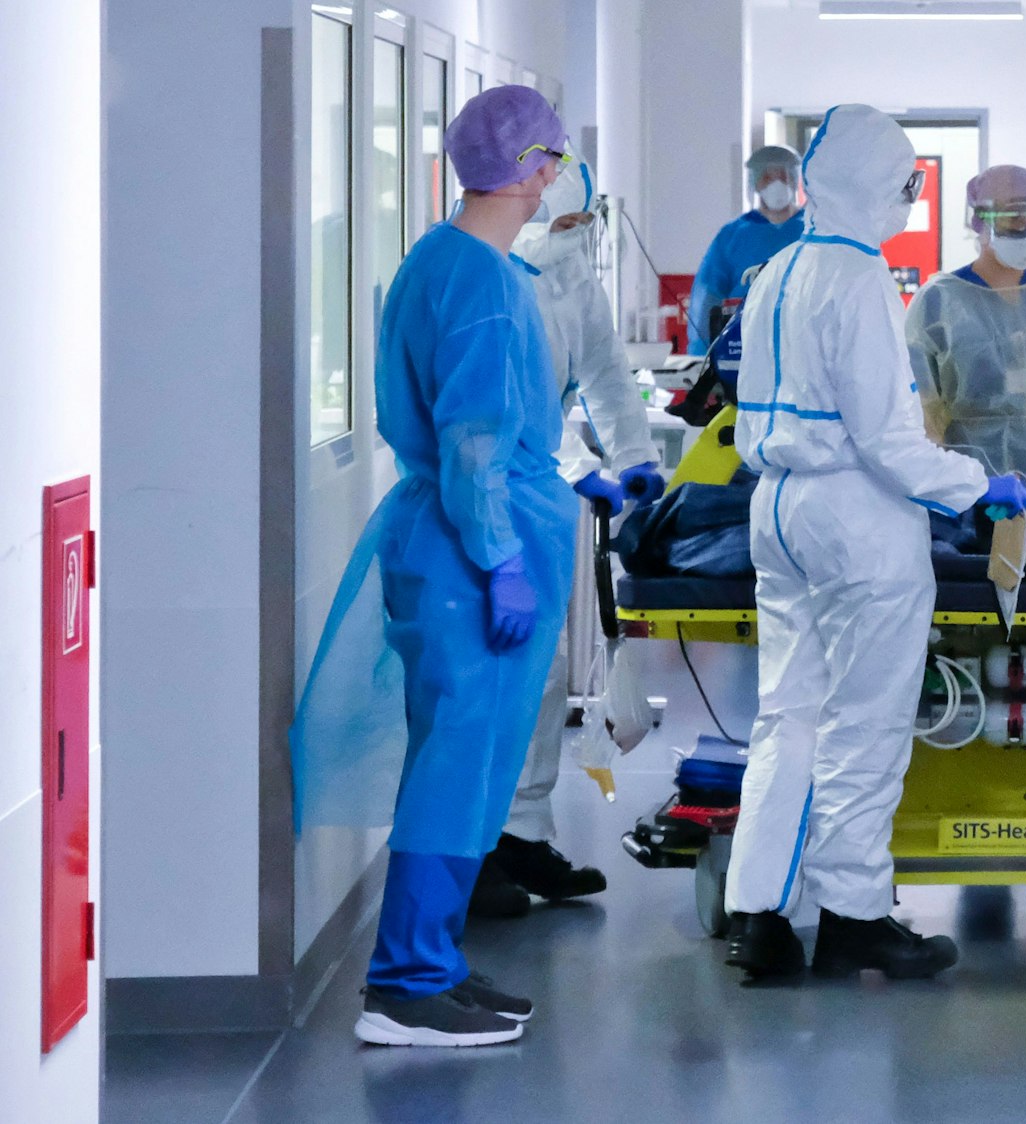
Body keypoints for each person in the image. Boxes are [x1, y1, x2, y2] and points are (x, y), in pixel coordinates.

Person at [290, 85, 577, 1047]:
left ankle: (435, 963)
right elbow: (474, 444)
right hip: (470, 554)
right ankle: (404, 984)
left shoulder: (441, 261)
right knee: (456, 765)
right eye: (552, 159)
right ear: (532, 168)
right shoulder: (485, 286)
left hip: (454, 542)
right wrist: (502, 559)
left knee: (466, 758)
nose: (555, 177)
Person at [721, 104, 1026, 982]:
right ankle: (854, 913)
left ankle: (760, 917)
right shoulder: (859, 277)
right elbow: (887, 443)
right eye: (905, 183)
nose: (908, 198)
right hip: (855, 519)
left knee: (787, 715)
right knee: (864, 721)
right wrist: (979, 486)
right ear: (877, 184)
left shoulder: (780, 267)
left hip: (777, 510)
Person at [467, 159, 667, 918]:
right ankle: (474, 855)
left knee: (544, 677)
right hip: (484, 504)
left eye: (587, 225)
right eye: (566, 224)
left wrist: (639, 460)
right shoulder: (485, 282)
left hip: (535, 502)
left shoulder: (567, 272)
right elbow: (494, 417)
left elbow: (607, 372)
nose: (577, 238)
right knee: (489, 686)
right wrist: (581, 465)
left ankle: (522, 835)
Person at [905, 164, 1026, 475]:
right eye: (1014, 217)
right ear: (980, 221)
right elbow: (926, 417)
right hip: (974, 485)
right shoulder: (938, 304)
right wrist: (943, 491)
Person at [688, 144, 806, 354]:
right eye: (768, 177)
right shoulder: (733, 236)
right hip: (741, 348)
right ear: (755, 182)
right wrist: (701, 357)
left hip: (802, 347)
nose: (777, 183)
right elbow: (706, 300)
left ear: (794, 178)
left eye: (783, 175)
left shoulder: (812, 230)